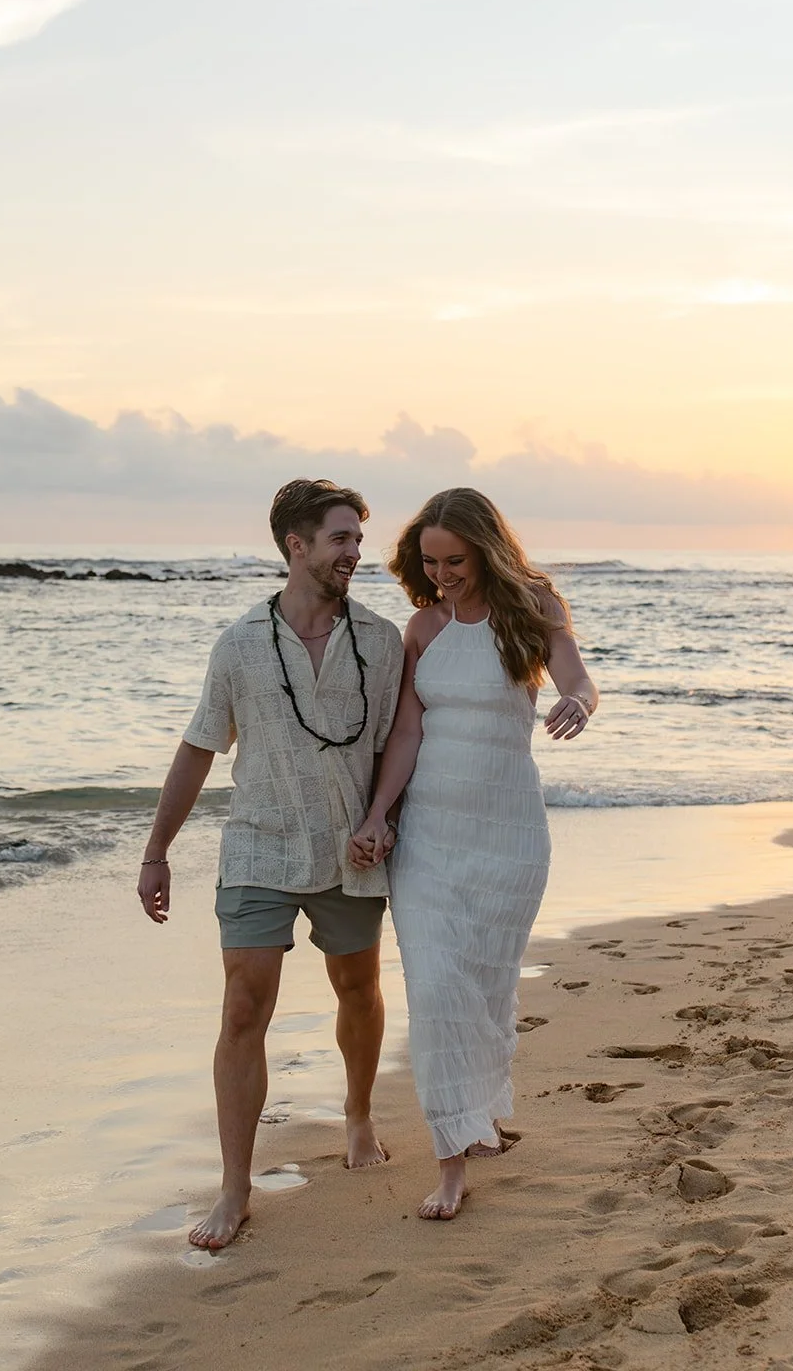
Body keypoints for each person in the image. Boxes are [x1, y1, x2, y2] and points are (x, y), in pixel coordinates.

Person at [139, 478, 404, 1250]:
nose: (356, 553)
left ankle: (357, 1114)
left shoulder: (381, 642)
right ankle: (234, 1187)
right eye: (341, 539)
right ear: (297, 546)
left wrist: (380, 821)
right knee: (242, 1009)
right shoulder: (240, 645)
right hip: (257, 844)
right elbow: (197, 747)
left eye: (357, 538)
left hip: (350, 850)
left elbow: (396, 748)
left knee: (357, 989)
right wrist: (157, 852)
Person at [350, 487, 597, 1221]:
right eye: (429, 561)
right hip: (429, 837)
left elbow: (576, 676)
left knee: (484, 992)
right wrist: (375, 815)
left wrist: (579, 701)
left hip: (508, 834)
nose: (442, 574)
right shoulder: (422, 628)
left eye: (453, 560)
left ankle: (479, 1115)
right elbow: (405, 735)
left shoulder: (532, 610)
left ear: (485, 549)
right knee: (436, 991)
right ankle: (450, 1161)